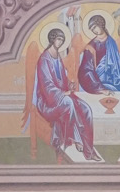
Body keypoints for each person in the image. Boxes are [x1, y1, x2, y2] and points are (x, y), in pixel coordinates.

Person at [30, 28, 99, 162]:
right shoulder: (44, 59)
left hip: (61, 97)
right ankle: (78, 141)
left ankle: (89, 148)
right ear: (52, 39)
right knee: (69, 104)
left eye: (62, 40)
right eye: (58, 39)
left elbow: (61, 80)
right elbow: (46, 86)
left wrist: (69, 86)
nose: (60, 42)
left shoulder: (57, 56)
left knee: (86, 109)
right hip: (47, 102)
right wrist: (62, 93)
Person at [77, 13, 120, 91]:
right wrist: (98, 86)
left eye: (95, 27)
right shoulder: (91, 47)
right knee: (112, 89)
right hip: (100, 80)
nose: (94, 31)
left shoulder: (111, 42)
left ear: (101, 24)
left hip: (115, 78)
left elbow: (117, 63)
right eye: (92, 29)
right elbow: (86, 70)